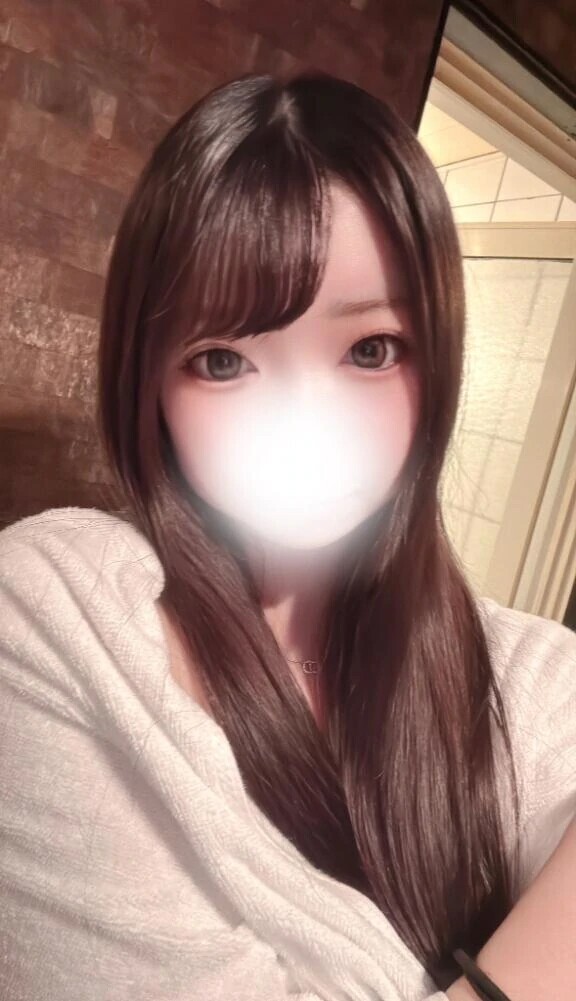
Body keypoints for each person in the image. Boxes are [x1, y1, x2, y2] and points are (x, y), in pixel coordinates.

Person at [0, 71, 574, 1001]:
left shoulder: (522, 673)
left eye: (370, 349)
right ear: (149, 384)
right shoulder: (56, 613)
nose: (304, 424)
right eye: (223, 360)